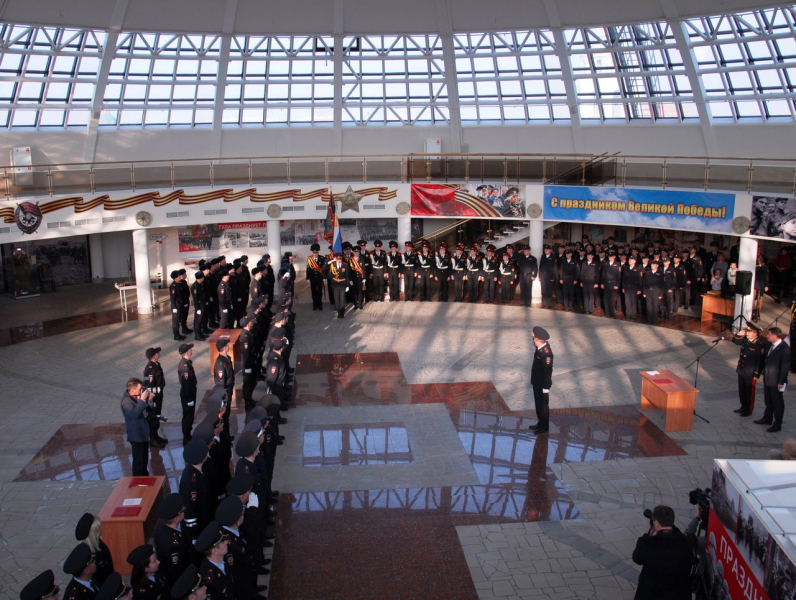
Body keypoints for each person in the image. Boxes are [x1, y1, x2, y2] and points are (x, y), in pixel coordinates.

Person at [631, 505, 696, 600]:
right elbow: (688, 534)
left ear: (656, 523)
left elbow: (636, 558)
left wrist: (648, 533)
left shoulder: (646, 544)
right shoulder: (688, 542)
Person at [153, 493, 192, 591]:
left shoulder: (161, 525)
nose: (184, 510)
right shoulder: (173, 545)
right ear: (176, 519)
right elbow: (176, 570)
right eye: (182, 510)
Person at [755, 327, 790, 432]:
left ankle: (777, 423)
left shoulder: (784, 349)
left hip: (776, 381)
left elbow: (785, 367)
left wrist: (781, 381)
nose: (767, 336)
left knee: (777, 403)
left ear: (775, 336)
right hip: (768, 378)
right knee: (768, 400)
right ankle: (767, 418)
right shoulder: (770, 345)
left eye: (769, 334)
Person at [121, 378, 156, 477]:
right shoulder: (126, 401)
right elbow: (134, 414)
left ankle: (144, 477)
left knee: (144, 458)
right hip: (136, 434)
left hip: (143, 432)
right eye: (140, 389)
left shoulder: (136, 397)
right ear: (132, 390)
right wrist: (142, 400)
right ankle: (138, 479)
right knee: (139, 461)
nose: (142, 391)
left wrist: (149, 401)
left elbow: (146, 410)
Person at [180, 439, 211, 542]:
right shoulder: (190, 482)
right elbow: (189, 510)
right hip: (198, 529)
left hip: (205, 520)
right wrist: (194, 537)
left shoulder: (199, 471)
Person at [731, 326, 765, 417]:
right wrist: (738, 334)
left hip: (750, 372)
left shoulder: (759, 344)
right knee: (742, 390)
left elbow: (760, 361)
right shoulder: (746, 340)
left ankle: (748, 409)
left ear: (755, 333)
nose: (747, 333)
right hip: (742, 369)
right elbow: (735, 341)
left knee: (749, 392)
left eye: (749, 332)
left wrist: (756, 374)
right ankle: (743, 406)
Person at [196, 522, 234, 600]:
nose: (226, 542)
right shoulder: (208, 577)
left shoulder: (222, 560)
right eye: (222, 542)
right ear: (214, 551)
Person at [74, 513, 114, 587]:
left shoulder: (95, 543)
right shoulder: (92, 553)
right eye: (99, 528)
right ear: (95, 532)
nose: (101, 529)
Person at [528, 326, 553, 434]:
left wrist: (546, 387)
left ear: (538, 340)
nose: (533, 341)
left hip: (543, 384)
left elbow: (548, 371)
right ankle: (540, 422)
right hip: (537, 382)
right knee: (538, 404)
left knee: (543, 406)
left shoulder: (546, 353)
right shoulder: (540, 349)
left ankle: (544, 426)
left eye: (534, 339)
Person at [143, 348, 167, 447]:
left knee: (157, 415)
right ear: (153, 356)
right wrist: (152, 396)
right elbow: (148, 385)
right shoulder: (150, 368)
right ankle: (152, 439)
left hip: (158, 395)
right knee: (153, 417)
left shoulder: (156, 365)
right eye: (157, 352)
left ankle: (156, 436)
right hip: (153, 397)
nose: (158, 353)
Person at [177, 343, 197, 446]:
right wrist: (189, 399)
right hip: (187, 394)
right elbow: (186, 384)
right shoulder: (185, 366)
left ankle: (188, 434)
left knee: (190, 415)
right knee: (188, 415)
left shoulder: (187, 363)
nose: (191, 350)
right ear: (187, 352)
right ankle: (186, 436)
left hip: (190, 393)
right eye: (189, 349)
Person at [213, 340, 234, 413]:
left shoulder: (226, 358)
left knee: (228, 408)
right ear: (225, 348)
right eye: (227, 345)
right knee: (225, 409)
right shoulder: (220, 362)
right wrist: (223, 394)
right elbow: (221, 380)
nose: (228, 346)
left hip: (229, 387)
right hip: (225, 390)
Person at [327, 253, 349, 318]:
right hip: (335, 285)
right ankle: (338, 311)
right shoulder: (332, 266)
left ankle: (341, 313)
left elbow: (347, 276)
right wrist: (331, 261)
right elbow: (328, 274)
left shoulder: (345, 265)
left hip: (342, 284)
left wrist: (348, 285)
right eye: (337, 259)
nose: (339, 260)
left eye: (340, 259)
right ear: (335, 259)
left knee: (342, 299)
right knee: (336, 300)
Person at [306, 242, 326, 310]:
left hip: (319, 278)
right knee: (313, 291)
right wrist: (308, 278)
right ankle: (315, 305)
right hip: (312, 278)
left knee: (320, 291)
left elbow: (323, 268)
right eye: (314, 253)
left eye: (316, 253)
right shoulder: (309, 259)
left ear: (318, 252)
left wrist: (324, 277)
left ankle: (320, 304)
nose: (315, 254)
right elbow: (308, 269)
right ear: (312, 253)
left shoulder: (322, 258)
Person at [169, 271, 186, 342]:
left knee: (178, 320)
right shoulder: (173, 286)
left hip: (179, 304)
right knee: (175, 321)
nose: (180, 277)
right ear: (175, 278)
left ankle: (178, 334)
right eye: (178, 276)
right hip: (176, 305)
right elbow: (173, 298)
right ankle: (176, 335)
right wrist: (174, 307)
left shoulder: (178, 284)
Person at [190, 271, 207, 341]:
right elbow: (195, 299)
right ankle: (197, 335)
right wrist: (198, 308)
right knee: (197, 321)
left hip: (202, 304)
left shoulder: (200, 284)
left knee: (201, 320)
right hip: (199, 305)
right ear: (200, 278)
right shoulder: (195, 286)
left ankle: (200, 333)